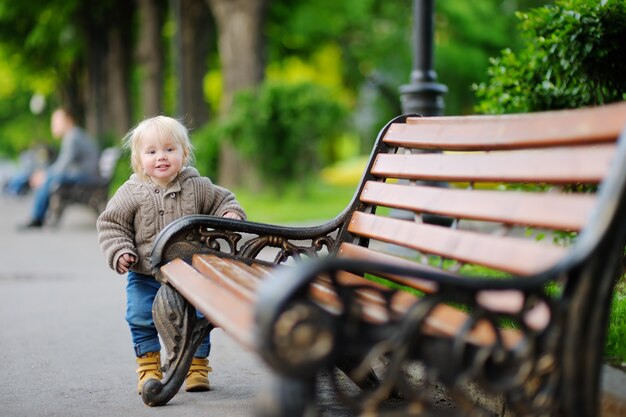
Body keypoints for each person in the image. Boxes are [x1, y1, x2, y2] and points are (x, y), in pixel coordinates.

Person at [96, 115, 245, 395]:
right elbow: (111, 224)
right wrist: (120, 250)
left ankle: (196, 366)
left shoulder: (197, 185)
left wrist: (229, 213)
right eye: (151, 152)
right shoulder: (132, 192)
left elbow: (225, 199)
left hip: (191, 272)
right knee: (139, 315)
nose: (161, 157)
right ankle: (149, 367)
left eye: (169, 149)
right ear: (139, 160)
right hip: (146, 274)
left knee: (198, 315)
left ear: (184, 153)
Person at [19, 107, 100, 228]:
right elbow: (63, 165)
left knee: (49, 178)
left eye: (56, 121)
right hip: (86, 174)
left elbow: (63, 165)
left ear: (68, 120)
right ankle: (37, 216)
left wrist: (44, 175)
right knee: (50, 177)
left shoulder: (73, 137)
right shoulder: (74, 135)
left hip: (86, 176)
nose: (53, 125)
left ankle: (37, 217)